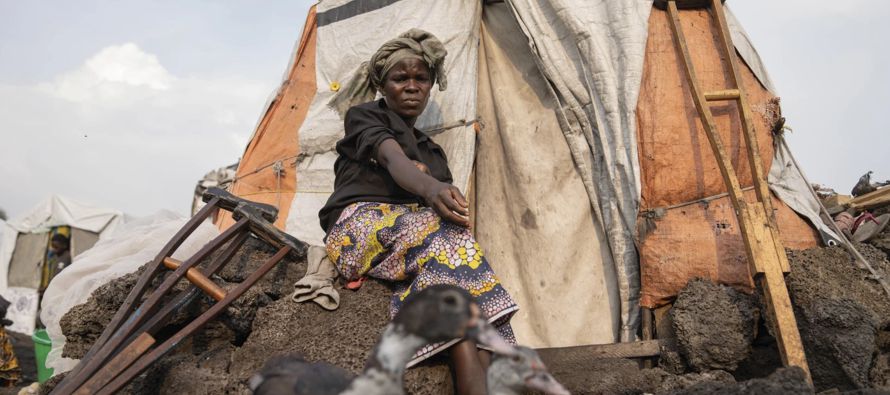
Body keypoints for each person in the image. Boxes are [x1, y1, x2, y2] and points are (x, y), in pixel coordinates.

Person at [320, 29, 518, 394]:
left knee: (462, 255)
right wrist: (428, 187)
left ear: (430, 85)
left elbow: (436, 205)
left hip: (410, 239)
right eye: (400, 78)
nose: (412, 86)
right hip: (356, 228)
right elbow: (393, 159)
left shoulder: (432, 151)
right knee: (443, 237)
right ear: (382, 84)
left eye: (420, 79)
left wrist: (440, 193)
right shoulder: (364, 117)